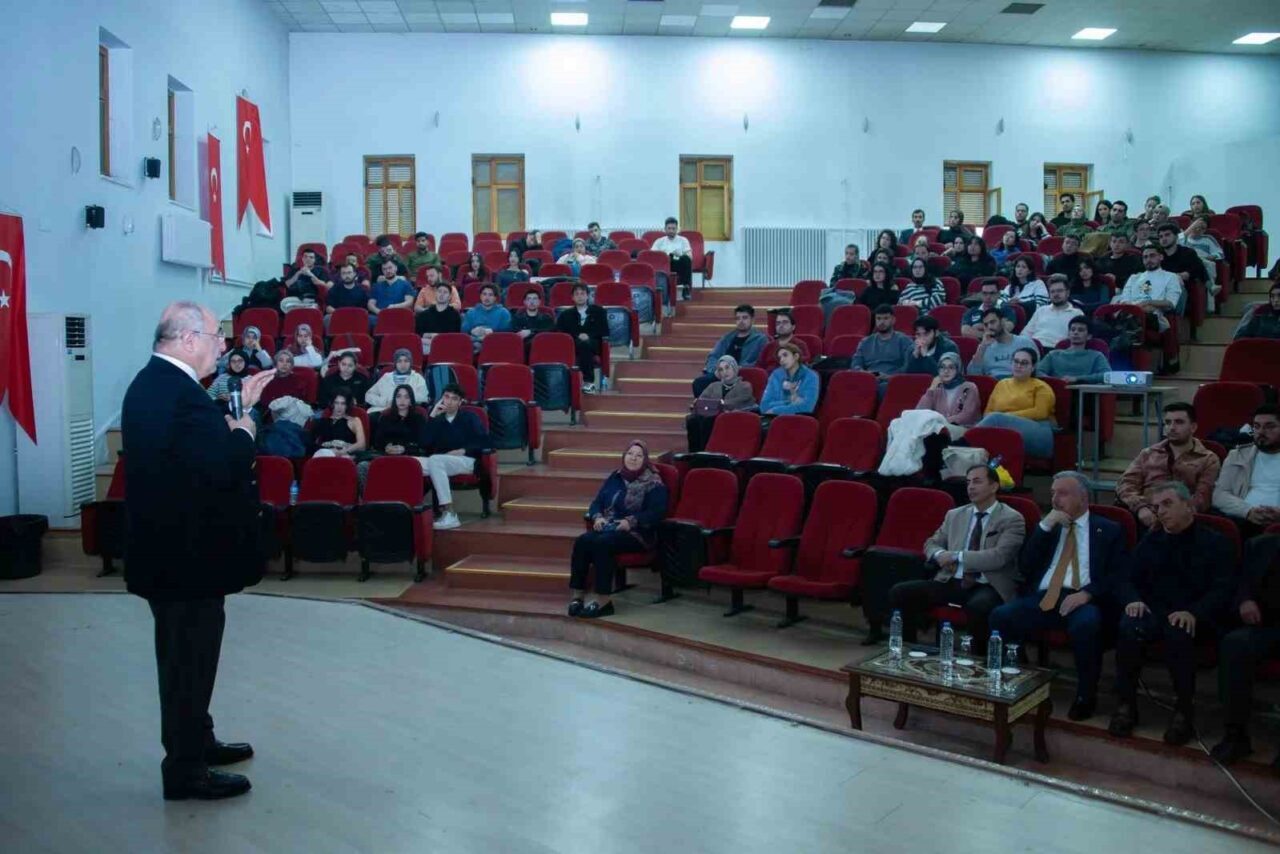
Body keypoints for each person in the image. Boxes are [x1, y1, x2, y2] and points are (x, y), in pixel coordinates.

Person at [122, 301, 274, 801]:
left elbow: (195, 450)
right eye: (215, 337)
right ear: (188, 339)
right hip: (184, 561)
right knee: (188, 663)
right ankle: (186, 770)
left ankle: (197, 741)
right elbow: (222, 464)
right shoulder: (176, 394)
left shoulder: (159, 386)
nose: (222, 345)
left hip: (176, 556)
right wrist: (247, 429)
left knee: (188, 659)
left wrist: (239, 411)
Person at [989, 471, 1129, 721]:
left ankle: (1086, 695)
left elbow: (1118, 575)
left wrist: (1088, 594)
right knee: (1001, 616)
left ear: (1083, 498)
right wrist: (1044, 527)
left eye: (1062, 493)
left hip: (1083, 597)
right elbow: (1025, 567)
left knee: (1087, 624)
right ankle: (1022, 676)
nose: (1055, 499)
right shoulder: (1048, 528)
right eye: (1053, 493)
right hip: (1045, 595)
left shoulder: (1108, 529)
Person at [1109, 482, 1235, 743]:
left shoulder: (1215, 542)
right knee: (1129, 625)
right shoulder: (1152, 540)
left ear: (1189, 506)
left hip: (1196, 615)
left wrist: (1194, 612)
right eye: (1156, 507)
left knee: (1179, 632)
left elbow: (1224, 589)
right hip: (1155, 611)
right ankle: (1126, 704)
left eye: (1168, 504)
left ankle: (1183, 711)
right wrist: (1132, 600)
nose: (1160, 512)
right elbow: (1126, 578)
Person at [888, 464, 1026, 652]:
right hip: (952, 580)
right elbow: (931, 543)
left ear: (994, 486)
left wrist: (957, 556)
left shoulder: (1012, 518)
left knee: (979, 606)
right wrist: (939, 555)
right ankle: (907, 651)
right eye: (968, 482)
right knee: (900, 592)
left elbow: (999, 557)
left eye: (977, 482)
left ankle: (979, 662)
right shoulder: (955, 515)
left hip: (988, 583)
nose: (970, 487)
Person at [569, 441, 669, 618]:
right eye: (630, 454)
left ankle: (603, 601)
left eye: (639, 455)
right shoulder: (615, 477)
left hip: (638, 534)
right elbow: (597, 502)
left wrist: (630, 522)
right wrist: (597, 516)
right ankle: (577, 597)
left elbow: (656, 513)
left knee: (602, 543)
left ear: (645, 460)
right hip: (610, 527)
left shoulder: (654, 483)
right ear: (624, 456)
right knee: (582, 541)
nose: (633, 458)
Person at [1212, 532, 1280, 765]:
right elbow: (1240, 583)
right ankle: (1235, 735)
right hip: (1267, 625)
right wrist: (1245, 600)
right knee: (1235, 644)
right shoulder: (1260, 544)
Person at [1116, 403, 1221, 527]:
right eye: (1168, 422)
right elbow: (1126, 484)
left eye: (1179, 422)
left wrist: (1169, 514)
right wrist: (1140, 507)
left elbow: (1202, 499)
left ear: (1193, 427)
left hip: (1183, 519)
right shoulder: (1148, 453)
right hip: (1144, 514)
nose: (1171, 427)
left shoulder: (1208, 459)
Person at [419, 382, 490, 530]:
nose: (449, 401)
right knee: (410, 463)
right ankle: (407, 510)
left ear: (460, 402)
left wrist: (464, 450)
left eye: (454, 398)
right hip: (440, 462)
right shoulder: (437, 420)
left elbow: (484, 440)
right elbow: (424, 442)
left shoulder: (471, 417)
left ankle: (449, 513)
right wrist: (432, 417)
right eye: (446, 397)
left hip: (467, 461)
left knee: (435, 460)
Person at [975, 348, 1056, 458]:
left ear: (1033, 367)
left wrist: (1006, 417)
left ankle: (964, 441)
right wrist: (1002, 420)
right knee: (992, 429)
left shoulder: (1041, 386)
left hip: (1039, 432)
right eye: (1016, 361)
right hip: (1004, 430)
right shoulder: (1002, 384)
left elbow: (1041, 412)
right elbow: (987, 413)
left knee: (996, 419)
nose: (1019, 365)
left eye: (1024, 363)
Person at [1213, 405, 1280, 538]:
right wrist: (1248, 511)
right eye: (1257, 426)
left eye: (1269, 426)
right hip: (1244, 520)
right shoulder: (1237, 456)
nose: (1261, 432)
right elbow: (1219, 494)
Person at [691, 304, 767, 397]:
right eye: (738, 318)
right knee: (698, 383)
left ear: (752, 320)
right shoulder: (727, 337)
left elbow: (759, 362)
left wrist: (737, 369)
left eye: (745, 318)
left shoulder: (761, 339)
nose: (741, 321)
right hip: (722, 374)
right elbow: (713, 356)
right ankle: (708, 409)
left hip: (742, 375)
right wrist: (716, 370)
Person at [686, 355, 757, 452]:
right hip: (713, 414)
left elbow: (739, 400)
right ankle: (694, 453)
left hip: (734, 415)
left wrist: (721, 403)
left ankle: (705, 452)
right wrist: (697, 403)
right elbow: (702, 399)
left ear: (734, 368)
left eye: (727, 368)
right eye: (721, 369)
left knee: (709, 420)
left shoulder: (744, 385)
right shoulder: (714, 386)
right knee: (692, 419)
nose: (725, 372)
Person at [1112, 243, 1184, 335]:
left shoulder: (1171, 277)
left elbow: (1170, 303)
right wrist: (1137, 307)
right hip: (1130, 311)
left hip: (1152, 316)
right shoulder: (1134, 277)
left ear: (1161, 257)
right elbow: (1124, 299)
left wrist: (1148, 302)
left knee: (1129, 319)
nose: (1148, 260)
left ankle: (1123, 332)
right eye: (1145, 257)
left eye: (1152, 256)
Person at [556, 282, 609, 394]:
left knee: (585, 345)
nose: (580, 296)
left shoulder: (599, 311)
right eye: (577, 294)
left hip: (593, 343)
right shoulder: (566, 315)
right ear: (572, 297)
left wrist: (588, 335)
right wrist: (577, 336)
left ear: (588, 296)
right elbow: (559, 332)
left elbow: (604, 331)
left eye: (582, 293)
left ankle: (589, 382)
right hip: (572, 343)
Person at [916, 352, 982, 436]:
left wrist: (941, 422)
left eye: (951, 367)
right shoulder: (937, 388)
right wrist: (931, 389)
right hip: (938, 428)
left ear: (958, 369)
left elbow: (967, 416)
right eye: (942, 367)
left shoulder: (969, 387)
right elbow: (920, 412)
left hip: (964, 429)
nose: (946, 371)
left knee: (934, 431)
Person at [1036, 317, 1109, 385]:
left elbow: (1107, 375)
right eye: (1073, 329)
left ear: (1089, 336)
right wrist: (1057, 382)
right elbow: (1038, 372)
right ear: (1068, 334)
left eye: (1080, 330)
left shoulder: (1096, 356)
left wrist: (1077, 379)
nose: (1075, 332)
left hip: (1085, 394)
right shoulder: (1053, 355)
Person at [968, 309, 1037, 379]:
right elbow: (972, 375)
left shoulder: (1025, 342)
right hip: (994, 385)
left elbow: (1035, 371)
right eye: (986, 325)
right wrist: (982, 347)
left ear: (1003, 321)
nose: (989, 327)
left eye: (992, 322)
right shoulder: (984, 348)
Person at [851, 304, 911, 380]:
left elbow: (908, 366)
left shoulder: (904, 340)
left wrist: (889, 377)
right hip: (869, 381)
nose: (881, 322)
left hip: (893, 382)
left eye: (885, 318)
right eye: (878, 319)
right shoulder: (865, 342)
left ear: (893, 320)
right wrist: (866, 374)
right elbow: (855, 365)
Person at [1020, 276, 1082, 349]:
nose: (1056, 294)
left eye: (1059, 291)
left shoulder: (1076, 314)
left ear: (1067, 293)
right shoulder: (1041, 310)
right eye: (1052, 291)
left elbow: (1079, 340)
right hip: (1034, 349)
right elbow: (1026, 334)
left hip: (1058, 351)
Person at [759, 343, 819, 416]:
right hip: (772, 419)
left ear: (796, 356)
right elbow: (764, 406)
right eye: (779, 358)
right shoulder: (776, 375)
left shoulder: (811, 376)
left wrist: (775, 410)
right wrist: (790, 401)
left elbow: (807, 407)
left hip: (798, 420)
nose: (782, 360)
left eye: (785, 355)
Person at [1156, 223, 1206, 309]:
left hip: (1181, 291)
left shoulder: (1188, 253)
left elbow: (1198, 272)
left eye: (1167, 235)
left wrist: (1186, 275)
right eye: (1161, 236)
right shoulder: (1157, 255)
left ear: (1176, 236)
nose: (1164, 238)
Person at [365, 349, 429, 412]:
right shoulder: (386, 377)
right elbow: (369, 396)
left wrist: (405, 401)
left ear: (410, 363)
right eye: (399, 361)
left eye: (406, 361)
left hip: (407, 412)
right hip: (384, 410)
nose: (403, 364)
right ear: (395, 363)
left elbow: (424, 397)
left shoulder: (417, 377)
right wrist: (385, 401)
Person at [1179, 217, 1225, 306]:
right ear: (1191, 225)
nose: (1199, 229)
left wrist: (1213, 256)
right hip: (1188, 263)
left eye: (1203, 228)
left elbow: (1220, 253)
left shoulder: (1208, 239)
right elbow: (1176, 246)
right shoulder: (1183, 237)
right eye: (1197, 226)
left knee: (1210, 264)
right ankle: (1211, 289)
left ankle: (1211, 301)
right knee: (1208, 264)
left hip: (1205, 260)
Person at [311, 391, 366, 459]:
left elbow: (362, 445)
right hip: (326, 453)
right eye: (336, 403)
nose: (339, 407)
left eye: (343, 404)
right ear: (332, 404)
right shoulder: (322, 421)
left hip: (347, 454)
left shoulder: (354, 420)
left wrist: (343, 452)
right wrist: (328, 450)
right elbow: (311, 443)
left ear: (347, 405)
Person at [415, 279, 463, 352]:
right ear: (436, 294)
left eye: (445, 292)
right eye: (439, 291)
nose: (442, 294)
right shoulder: (424, 314)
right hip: (427, 345)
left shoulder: (455, 315)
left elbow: (455, 336)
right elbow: (418, 334)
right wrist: (429, 336)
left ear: (450, 296)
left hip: (447, 346)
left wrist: (434, 337)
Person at [368, 258, 415, 329]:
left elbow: (409, 302)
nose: (388, 271)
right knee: (368, 319)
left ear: (396, 268)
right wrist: (379, 312)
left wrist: (394, 306)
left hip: (398, 314)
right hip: (380, 317)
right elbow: (370, 304)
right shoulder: (377, 286)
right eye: (384, 269)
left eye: (390, 268)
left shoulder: (405, 284)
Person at [462, 283, 512, 349]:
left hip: (495, 343)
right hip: (474, 342)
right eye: (484, 294)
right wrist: (472, 331)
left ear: (495, 298)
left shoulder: (503, 312)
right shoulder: (471, 312)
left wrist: (491, 331)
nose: (487, 297)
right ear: (480, 296)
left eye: (490, 295)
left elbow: (507, 331)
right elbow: (464, 331)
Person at [652, 217, 694, 297]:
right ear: (665, 229)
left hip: (678, 265)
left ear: (677, 229)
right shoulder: (659, 241)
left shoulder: (683, 240)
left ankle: (686, 288)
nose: (671, 231)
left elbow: (690, 257)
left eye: (673, 229)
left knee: (686, 259)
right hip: (663, 266)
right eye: (669, 228)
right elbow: (652, 256)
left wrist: (680, 255)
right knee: (668, 257)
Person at [511, 287, 555, 352]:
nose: (532, 302)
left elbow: (550, 333)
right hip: (522, 349)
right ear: (524, 302)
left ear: (539, 302)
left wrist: (530, 332)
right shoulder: (517, 318)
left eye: (535, 299)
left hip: (543, 349)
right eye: (529, 299)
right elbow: (515, 334)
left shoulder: (546, 318)